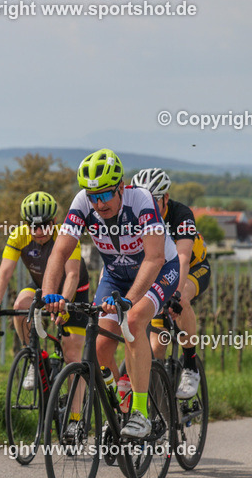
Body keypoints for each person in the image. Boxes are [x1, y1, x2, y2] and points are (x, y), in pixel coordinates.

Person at [42, 149, 179, 440]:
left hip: (159, 270)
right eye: (93, 197)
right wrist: (48, 294)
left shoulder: (141, 200)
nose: (99, 203)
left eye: (105, 195)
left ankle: (141, 414)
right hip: (116, 275)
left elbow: (154, 258)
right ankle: (122, 402)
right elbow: (60, 251)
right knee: (101, 345)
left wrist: (130, 300)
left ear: (120, 187)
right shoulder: (83, 202)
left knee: (133, 321)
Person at [0, 191, 90, 390]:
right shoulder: (19, 236)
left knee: (72, 356)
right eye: (33, 226)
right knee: (20, 305)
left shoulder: (67, 235)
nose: (39, 231)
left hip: (74, 291)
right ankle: (34, 357)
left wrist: (64, 304)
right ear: (26, 224)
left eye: (44, 225)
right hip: (43, 286)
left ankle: (75, 419)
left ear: (54, 221)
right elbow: (4, 273)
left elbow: (72, 276)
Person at [131, 168, 209, 399]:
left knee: (182, 296)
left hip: (194, 267)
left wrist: (173, 294)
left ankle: (190, 364)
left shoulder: (180, 214)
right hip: (161, 270)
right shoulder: (135, 217)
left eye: (153, 201)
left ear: (165, 197)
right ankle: (157, 406)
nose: (148, 206)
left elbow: (183, 258)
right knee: (156, 348)